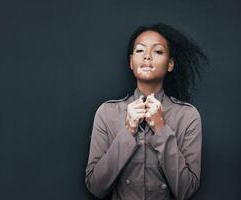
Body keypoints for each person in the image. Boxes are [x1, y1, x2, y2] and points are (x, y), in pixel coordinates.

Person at [85, 23, 209, 200]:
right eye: (140, 51)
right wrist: (128, 131)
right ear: (131, 62)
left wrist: (161, 129)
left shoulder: (188, 116)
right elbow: (95, 187)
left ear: (170, 64)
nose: (147, 57)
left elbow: (186, 190)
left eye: (157, 51)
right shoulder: (107, 113)